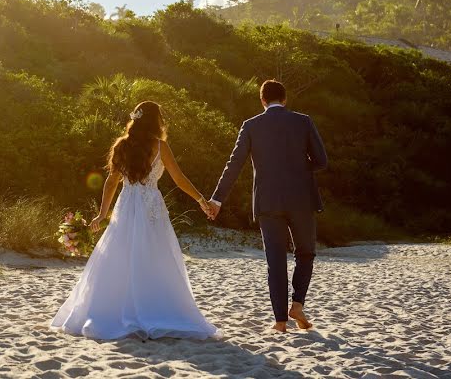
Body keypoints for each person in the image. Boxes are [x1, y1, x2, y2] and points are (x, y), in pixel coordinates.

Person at [50, 101, 219, 340]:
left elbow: (111, 182)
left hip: (127, 203)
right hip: (151, 206)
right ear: (155, 121)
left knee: (120, 253)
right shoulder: (161, 147)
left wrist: (102, 214)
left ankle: (116, 308)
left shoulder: (122, 145)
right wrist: (202, 200)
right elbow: (179, 179)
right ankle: (154, 308)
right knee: (155, 255)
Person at [205, 79, 327, 333]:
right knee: (305, 253)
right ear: (285, 99)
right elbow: (321, 160)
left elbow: (234, 164)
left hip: (267, 201)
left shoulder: (250, 126)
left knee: (275, 260)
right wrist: (298, 166)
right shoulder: (303, 121)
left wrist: (217, 199)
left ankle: (280, 322)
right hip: (301, 199)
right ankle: (297, 304)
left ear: (262, 101)